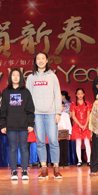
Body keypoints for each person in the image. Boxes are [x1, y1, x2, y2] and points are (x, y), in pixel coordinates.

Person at [26, 51, 63, 179]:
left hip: (51, 113)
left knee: (53, 141)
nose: (41, 61)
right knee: (40, 141)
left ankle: (56, 168)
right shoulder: (31, 78)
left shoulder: (52, 76)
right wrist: (29, 115)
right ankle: (44, 168)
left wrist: (58, 112)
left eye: (43, 58)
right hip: (37, 114)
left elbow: (57, 95)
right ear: (35, 61)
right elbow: (27, 98)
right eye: (38, 59)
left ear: (47, 61)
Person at [0, 68, 35, 181]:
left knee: (24, 148)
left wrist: (30, 123)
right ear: (10, 78)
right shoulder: (6, 92)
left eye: (17, 75)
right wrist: (3, 124)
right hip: (10, 125)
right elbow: (3, 110)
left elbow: (30, 109)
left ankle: (25, 170)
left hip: (23, 125)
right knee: (13, 148)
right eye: (13, 75)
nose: (15, 77)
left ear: (21, 78)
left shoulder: (26, 92)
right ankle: (13, 170)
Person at [70, 88, 92, 167]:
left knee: (87, 143)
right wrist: (80, 125)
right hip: (77, 125)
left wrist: (86, 124)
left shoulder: (88, 104)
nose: (80, 95)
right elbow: (73, 116)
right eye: (78, 94)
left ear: (84, 94)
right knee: (78, 143)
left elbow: (89, 115)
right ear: (76, 95)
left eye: (81, 93)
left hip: (86, 125)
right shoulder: (73, 105)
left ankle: (89, 160)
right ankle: (79, 161)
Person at [58, 102, 72, 167]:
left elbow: (68, 124)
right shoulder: (55, 115)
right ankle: (60, 163)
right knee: (59, 148)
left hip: (65, 133)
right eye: (61, 106)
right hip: (58, 133)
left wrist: (69, 133)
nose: (62, 108)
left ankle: (65, 162)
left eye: (63, 106)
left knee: (65, 149)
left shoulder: (66, 114)